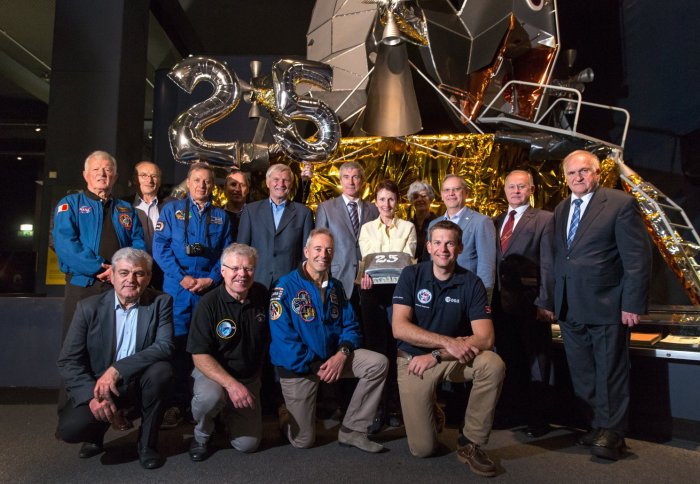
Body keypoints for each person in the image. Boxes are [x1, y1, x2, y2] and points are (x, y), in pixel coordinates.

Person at [553, 150, 651, 461]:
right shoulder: (561, 208)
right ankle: (596, 425)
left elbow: (637, 258)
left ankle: (614, 431)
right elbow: (562, 257)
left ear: (597, 173)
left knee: (610, 370)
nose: (577, 178)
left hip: (608, 304)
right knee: (582, 371)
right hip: (570, 305)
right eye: (571, 173)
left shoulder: (619, 203)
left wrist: (632, 303)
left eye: (583, 171)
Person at [392, 220, 505, 478]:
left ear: (460, 248)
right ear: (429, 247)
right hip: (413, 361)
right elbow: (399, 328)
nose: (444, 249)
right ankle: (432, 408)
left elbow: (486, 338)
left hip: (448, 358)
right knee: (423, 449)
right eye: (438, 243)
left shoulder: (472, 282)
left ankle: (470, 443)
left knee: (492, 363)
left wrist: (437, 354)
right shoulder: (412, 275)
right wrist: (447, 342)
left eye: (450, 243)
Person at [269, 228, 388, 452]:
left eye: (329, 250)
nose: (323, 254)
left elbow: (351, 326)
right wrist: (317, 365)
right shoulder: (285, 287)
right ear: (306, 251)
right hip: (300, 367)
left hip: (333, 359)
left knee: (378, 363)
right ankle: (286, 414)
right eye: (317, 249)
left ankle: (352, 430)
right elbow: (284, 341)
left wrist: (342, 354)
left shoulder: (335, 287)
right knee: (303, 441)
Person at [56, 247, 174, 470]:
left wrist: (117, 369)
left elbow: (165, 346)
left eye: (139, 273)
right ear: (111, 276)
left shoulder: (161, 302)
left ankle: (147, 445)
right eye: (124, 273)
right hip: (100, 387)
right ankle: (95, 434)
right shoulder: (88, 307)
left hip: (140, 381)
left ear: (148, 277)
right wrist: (92, 397)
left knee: (162, 372)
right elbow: (69, 360)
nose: (131, 279)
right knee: (70, 429)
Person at [153, 161, 233, 428]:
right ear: (188, 182)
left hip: (207, 290)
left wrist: (211, 278)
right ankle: (175, 404)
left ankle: (210, 405)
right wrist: (183, 278)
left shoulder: (221, 217)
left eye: (207, 181)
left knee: (208, 347)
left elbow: (226, 253)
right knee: (175, 348)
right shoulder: (170, 211)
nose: (202, 185)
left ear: (213, 185)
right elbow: (160, 249)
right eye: (197, 180)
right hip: (178, 290)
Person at [186, 243, 269, 461]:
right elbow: (199, 355)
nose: (241, 274)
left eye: (248, 269)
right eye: (234, 268)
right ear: (222, 271)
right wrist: (231, 385)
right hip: (214, 374)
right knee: (209, 398)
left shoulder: (262, 295)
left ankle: (226, 415)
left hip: (248, 377)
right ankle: (202, 434)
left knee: (247, 445)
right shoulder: (208, 304)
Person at [53, 150, 145, 338]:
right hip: (82, 285)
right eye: (96, 169)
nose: (102, 174)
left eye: (107, 170)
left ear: (115, 176)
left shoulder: (125, 209)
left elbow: (138, 243)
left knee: (113, 340)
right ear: (86, 175)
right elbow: (65, 244)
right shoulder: (70, 204)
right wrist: (99, 267)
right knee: (76, 341)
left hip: (118, 286)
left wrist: (122, 271)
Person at [492, 170, 555, 436]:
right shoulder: (494, 222)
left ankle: (538, 419)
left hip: (531, 305)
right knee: (508, 360)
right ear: (504, 190)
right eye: (511, 186)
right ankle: (514, 412)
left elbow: (549, 264)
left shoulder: (544, 219)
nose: (516, 191)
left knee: (536, 362)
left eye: (521, 186)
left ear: (531, 190)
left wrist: (545, 301)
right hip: (499, 305)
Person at [358, 179, 416, 430]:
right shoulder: (367, 229)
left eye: (391, 198)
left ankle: (395, 407)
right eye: (382, 199)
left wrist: (387, 264)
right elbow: (369, 260)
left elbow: (408, 261)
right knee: (377, 351)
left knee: (398, 350)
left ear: (397, 201)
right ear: (376, 202)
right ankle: (375, 409)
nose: (386, 204)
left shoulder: (409, 227)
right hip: (373, 295)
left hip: (400, 296)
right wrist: (388, 264)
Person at [237, 163, 314, 289]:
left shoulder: (303, 213)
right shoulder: (251, 211)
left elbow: (306, 255)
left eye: (285, 180)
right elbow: (241, 250)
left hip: (291, 284)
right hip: (256, 283)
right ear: (267, 183)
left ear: (291, 184)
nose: (281, 184)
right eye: (276, 180)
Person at [315, 161, 379, 302]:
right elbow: (319, 245)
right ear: (340, 180)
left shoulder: (374, 209)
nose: (350, 182)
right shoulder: (326, 208)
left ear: (362, 180)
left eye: (355, 177)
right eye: (346, 177)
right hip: (337, 278)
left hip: (368, 280)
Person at [428, 174, 496, 302]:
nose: (451, 193)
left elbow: (486, 266)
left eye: (456, 189)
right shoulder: (433, 225)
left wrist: (483, 300)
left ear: (465, 193)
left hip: (468, 293)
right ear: (442, 195)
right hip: (438, 293)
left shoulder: (481, 222)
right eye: (447, 190)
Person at [131, 160, 169, 289]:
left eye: (154, 176)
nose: (150, 180)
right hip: (135, 272)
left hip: (166, 272)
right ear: (135, 179)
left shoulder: (171, 205)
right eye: (144, 176)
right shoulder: (123, 206)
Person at [407, 180, 437, 261]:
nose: (420, 199)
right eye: (416, 197)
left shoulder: (438, 224)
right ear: (412, 201)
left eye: (423, 196)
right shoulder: (407, 225)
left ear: (430, 199)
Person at [223, 168, 250, 241]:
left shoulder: (256, 216)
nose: (237, 189)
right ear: (225, 189)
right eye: (233, 184)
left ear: (247, 190)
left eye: (242, 185)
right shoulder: (216, 216)